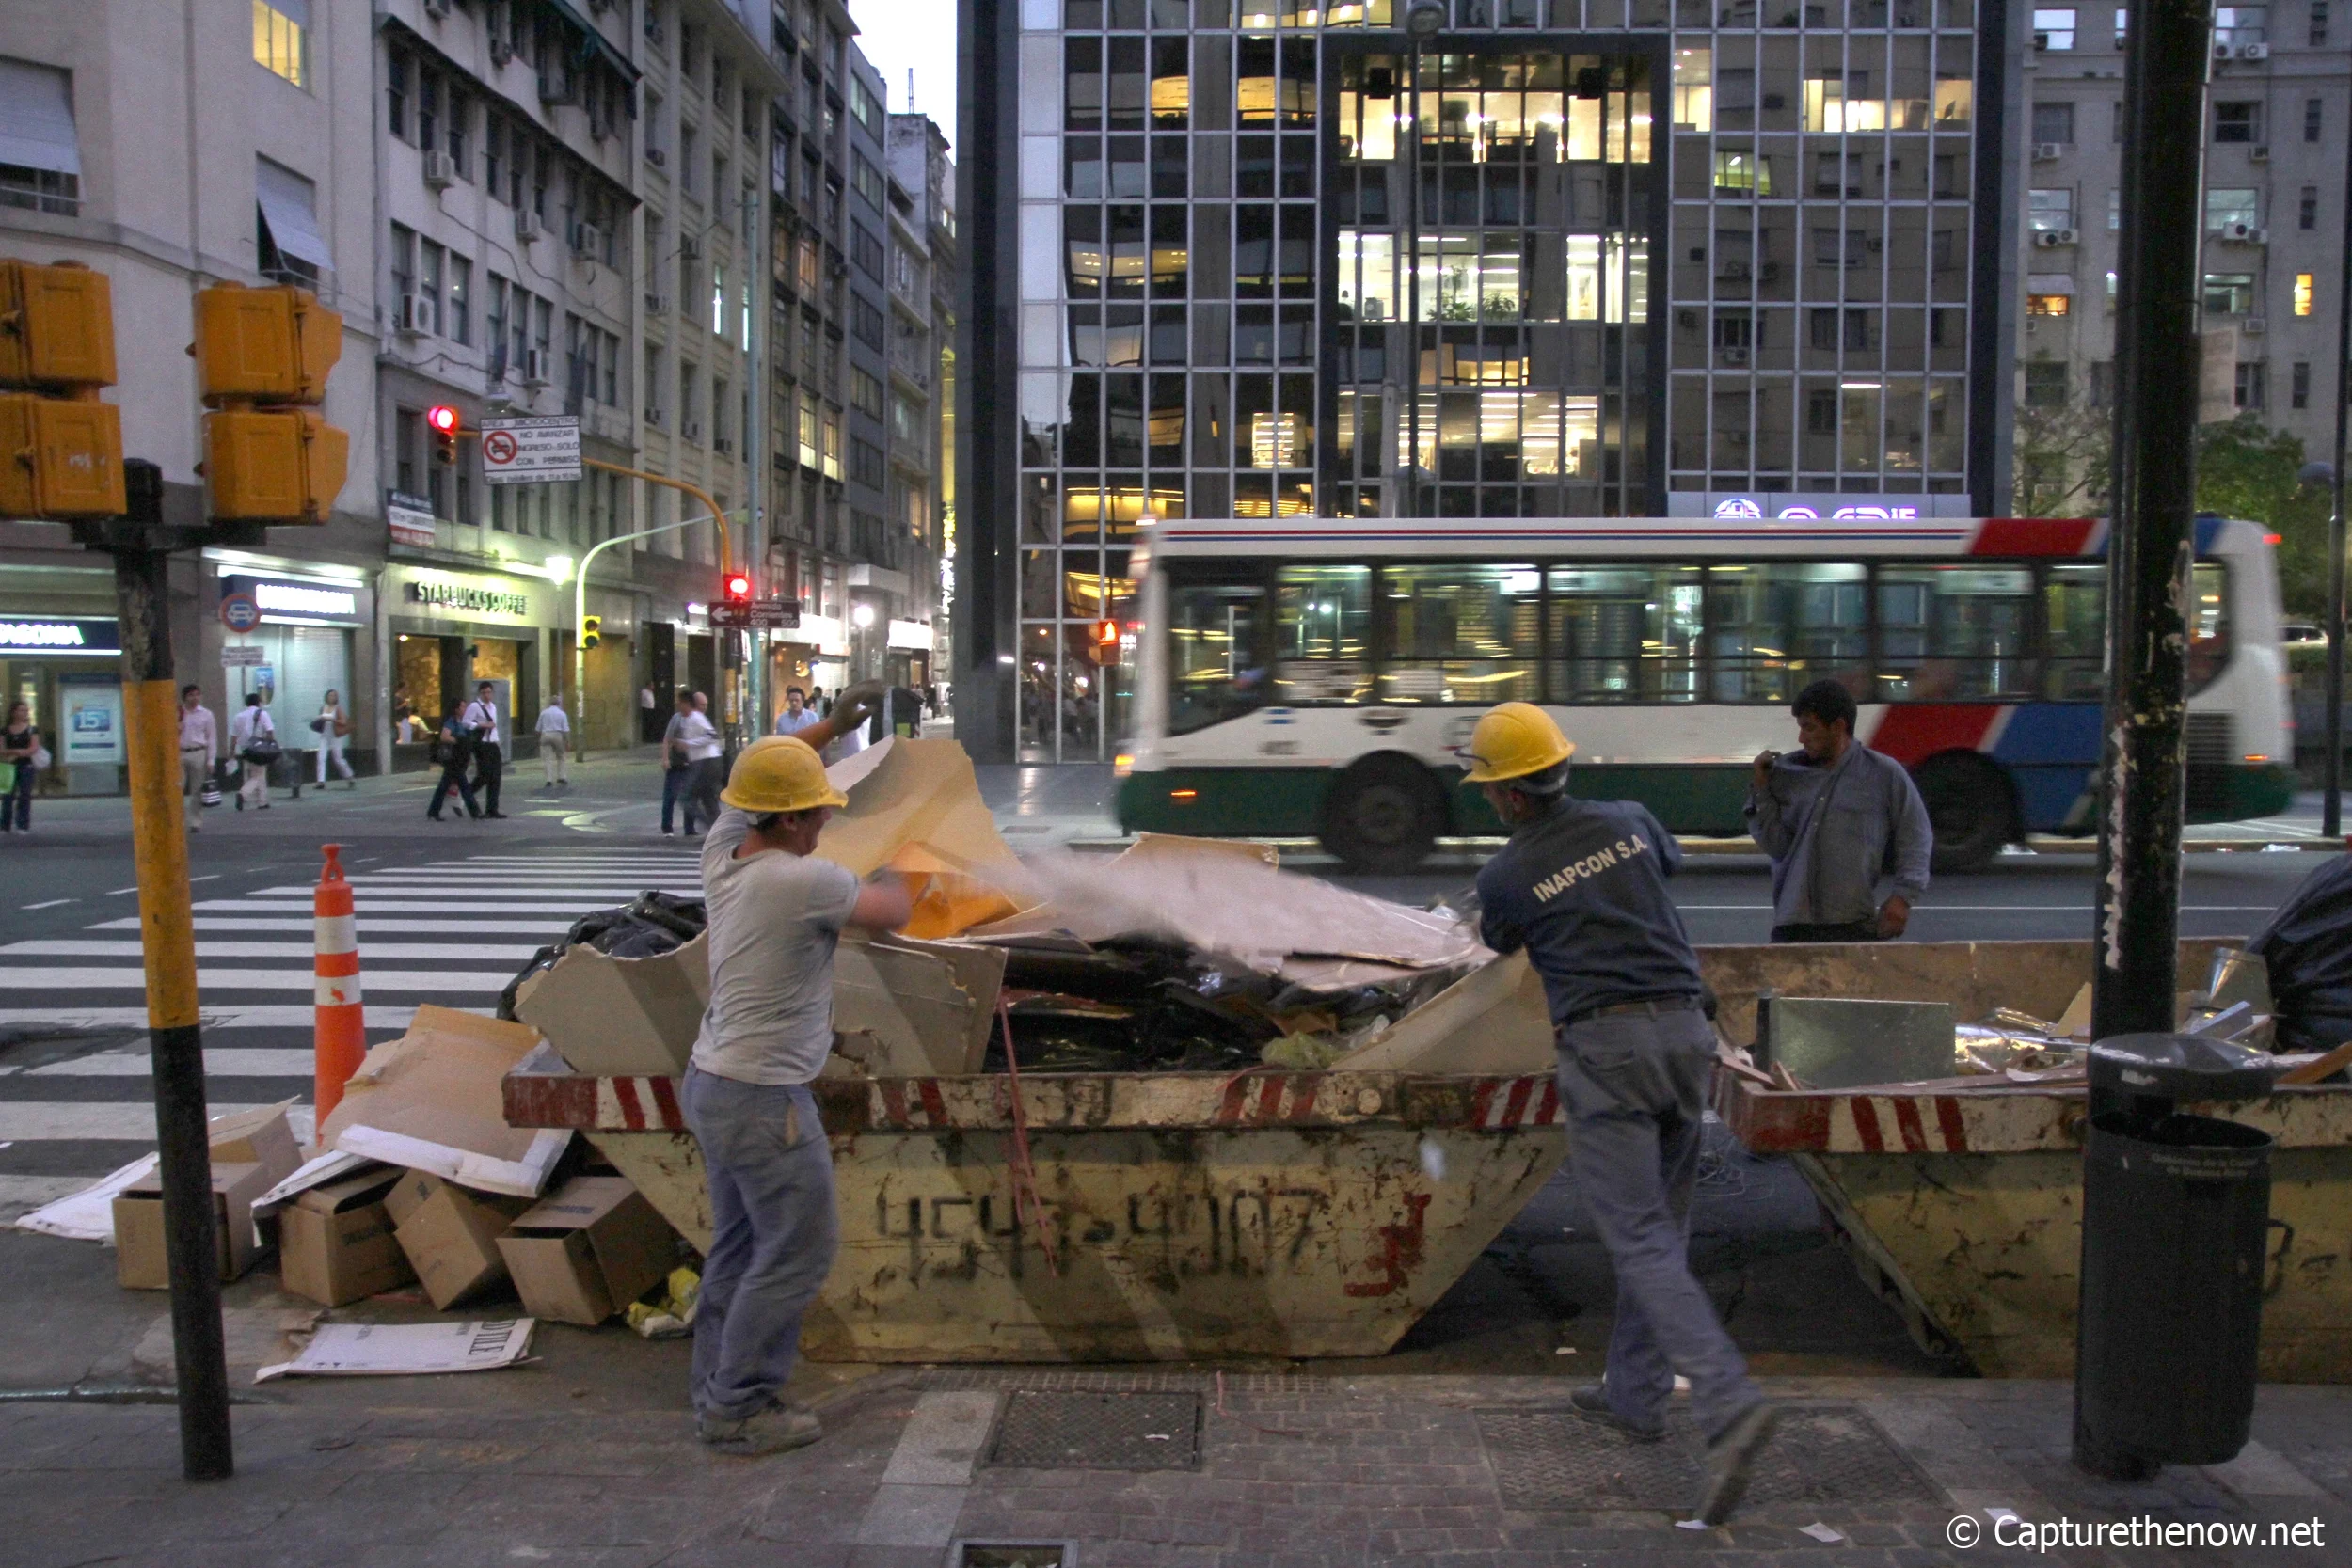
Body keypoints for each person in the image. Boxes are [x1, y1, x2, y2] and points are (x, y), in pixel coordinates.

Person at [1466, 701, 1775, 1526]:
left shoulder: (1507, 871)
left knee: (1637, 1237)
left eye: (1492, 790)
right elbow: (1654, 873)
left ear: (1512, 796)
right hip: (1686, 1033)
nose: (1492, 803)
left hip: (1609, 1051)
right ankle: (1634, 1396)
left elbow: (1497, 941)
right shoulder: (1633, 819)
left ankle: (1726, 1398)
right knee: (1660, 1232)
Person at [685, 682, 907, 1454]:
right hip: (763, 1099)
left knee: (742, 1248)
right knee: (798, 1251)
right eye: (817, 813)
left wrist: (832, 728)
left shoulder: (724, 852)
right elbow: (893, 911)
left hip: (714, 1083)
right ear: (784, 819)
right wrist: (911, 848)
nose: (824, 824)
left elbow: (759, 768)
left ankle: (715, 1389)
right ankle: (740, 1407)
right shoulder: (802, 880)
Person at [1745, 678, 1932, 944]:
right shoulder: (1787, 775)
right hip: (1793, 928)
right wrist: (1761, 790)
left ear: (1838, 727)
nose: (1801, 738)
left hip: (1853, 925)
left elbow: (1916, 835)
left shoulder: (1883, 774)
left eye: (1809, 728)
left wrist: (1903, 896)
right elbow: (1778, 847)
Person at [661, 688, 721, 836]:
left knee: (687, 797)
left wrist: (689, 744)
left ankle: (711, 825)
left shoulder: (695, 718)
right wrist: (682, 744)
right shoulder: (687, 719)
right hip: (702, 762)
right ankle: (717, 829)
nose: (678, 707)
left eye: (680, 703)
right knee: (707, 799)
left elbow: (712, 736)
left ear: (687, 704)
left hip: (706, 762)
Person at [427, 700, 483, 821]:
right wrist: (458, 741)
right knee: (464, 786)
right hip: (454, 760)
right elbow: (444, 736)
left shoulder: (462, 722)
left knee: (444, 786)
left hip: (461, 759)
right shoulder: (451, 721)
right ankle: (475, 811)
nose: (465, 709)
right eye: (463, 707)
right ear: (456, 709)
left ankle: (433, 811)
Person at [462, 682, 507, 818]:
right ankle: (466, 793)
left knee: (496, 777)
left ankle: (492, 809)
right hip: (481, 744)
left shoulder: (493, 707)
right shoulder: (475, 706)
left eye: (489, 692)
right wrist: (481, 725)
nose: (487, 695)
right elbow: (465, 723)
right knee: (484, 775)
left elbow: (494, 726)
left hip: (493, 743)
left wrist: (497, 740)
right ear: (480, 693)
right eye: (484, 693)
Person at [177, 684, 215, 833]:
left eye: (197, 694)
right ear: (185, 697)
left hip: (199, 752)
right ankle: (177, 820)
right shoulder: (178, 712)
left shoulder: (206, 714)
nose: (195, 698)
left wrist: (211, 760)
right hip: (179, 752)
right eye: (191, 695)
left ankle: (195, 821)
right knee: (177, 787)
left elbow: (211, 738)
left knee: (197, 790)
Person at [227, 692, 276, 811]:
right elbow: (270, 731)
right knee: (258, 775)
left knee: (258, 774)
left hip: (245, 749)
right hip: (259, 748)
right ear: (258, 702)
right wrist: (271, 744)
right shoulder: (263, 714)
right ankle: (243, 794)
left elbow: (233, 737)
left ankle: (262, 801)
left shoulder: (238, 716)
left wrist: (231, 753)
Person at [1, 700, 39, 834]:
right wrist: (19, 752)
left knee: (25, 795)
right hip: (9, 767)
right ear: (14, 712)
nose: (25, 713)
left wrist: (16, 752)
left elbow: (33, 748)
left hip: (26, 766)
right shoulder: (5, 730)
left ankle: (22, 825)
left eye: (26, 710)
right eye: (22, 710)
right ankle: (4, 826)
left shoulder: (31, 729)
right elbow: (1, 749)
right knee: (7, 797)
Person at [313, 689, 354, 787]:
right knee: (321, 757)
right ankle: (321, 781)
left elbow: (343, 722)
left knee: (338, 758)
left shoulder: (338, 709)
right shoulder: (323, 707)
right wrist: (319, 718)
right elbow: (320, 720)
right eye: (330, 695)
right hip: (325, 735)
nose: (331, 697)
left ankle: (349, 776)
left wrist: (333, 719)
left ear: (336, 698)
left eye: (333, 696)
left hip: (335, 736)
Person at [534, 696, 572, 791]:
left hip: (546, 735)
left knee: (547, 758)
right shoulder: (562, 714)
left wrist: (539, 738)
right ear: (559, 703)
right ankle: (561, 777)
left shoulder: (544, 713)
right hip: (557, 735)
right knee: (561, 757)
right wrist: (567, 741)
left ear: (549, 703)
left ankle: (549, 780)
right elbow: (565, 729)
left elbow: (538, 728)